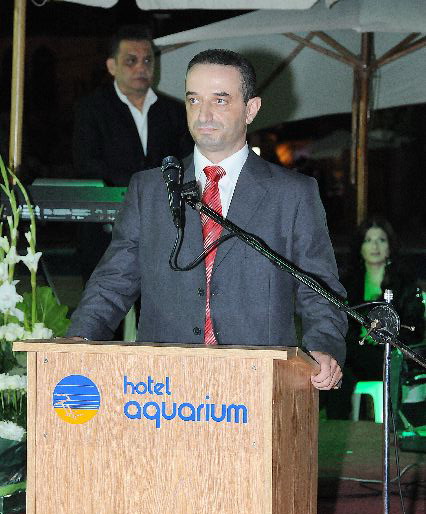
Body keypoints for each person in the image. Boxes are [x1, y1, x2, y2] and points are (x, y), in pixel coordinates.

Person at [67, 48, 348, 391]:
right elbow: (112, 282)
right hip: (162, 390)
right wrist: (77, 341)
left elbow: (320, 289)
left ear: (251, 109)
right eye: (194, 100)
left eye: (220, 100)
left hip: (257, 386)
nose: (204, 114)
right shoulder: (150, 189)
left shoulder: (292, 194)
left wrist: (324, 347)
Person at [72, 24, 192, 283]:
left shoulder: (174, 111)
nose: (141, 67)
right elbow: (86, 163)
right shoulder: (91, 109)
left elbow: (188, 161)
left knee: (158, 302)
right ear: (112, 66)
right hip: (106, 229)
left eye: (147, 60)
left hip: (162, 227)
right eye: (131, 61)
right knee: (104, 300)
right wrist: (140, 187)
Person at [325, 217, 425, 418]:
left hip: (390, 355)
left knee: (345, 362)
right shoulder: (347, 284)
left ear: (390, 246)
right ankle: (337, 425)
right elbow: (338, 324)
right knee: (337, 365)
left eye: (381, 240)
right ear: (360, 247)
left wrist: (384, 334)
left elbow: (415, 328)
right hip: (355, 355)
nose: (375, 246)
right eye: (368, 240)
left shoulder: (404, 283)